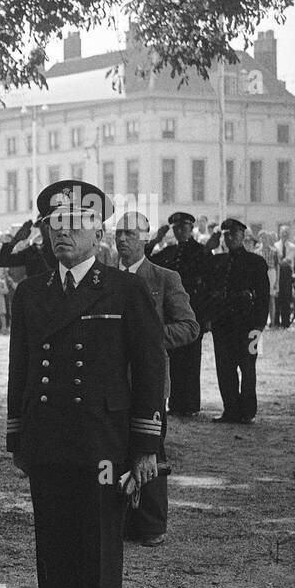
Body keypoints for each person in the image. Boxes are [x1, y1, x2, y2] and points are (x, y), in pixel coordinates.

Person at [7, 180, 164, 588]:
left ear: (99, 229)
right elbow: (20, 371)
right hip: (49, 441)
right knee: (53, 553)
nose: (63, 232)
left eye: (75, 222)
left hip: (103, 443)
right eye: (55, 222)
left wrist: (145, 447)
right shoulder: (31, 292)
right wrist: (18, 439)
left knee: (96, 553)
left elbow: (148, 370)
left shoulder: (123, 289)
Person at [115, 211, 199, 547]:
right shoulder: (104, 279)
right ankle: (119, 520)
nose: (123, 239)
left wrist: (148, 340)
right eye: (119, 233)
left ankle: (150, 523)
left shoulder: (164, 278)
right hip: (110, 383)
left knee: (151, 448)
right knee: (115, 449)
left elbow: (189, 326)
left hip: (148, 383)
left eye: (131, 234)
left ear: (147, 238)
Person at [145, 212, 214, 417]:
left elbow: (210, 286)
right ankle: (175, 403)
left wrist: (207, 317)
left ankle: (190, 404)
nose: (180, 231)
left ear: (191, 228)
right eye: (176, 228)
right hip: (170, 313)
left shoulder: (202, 251)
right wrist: (155, 240)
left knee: (191, 360)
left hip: (194, 313)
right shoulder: (169, 252)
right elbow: (145, 258)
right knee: (173, 359)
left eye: (184, 227)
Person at [209, 218, 270, 424]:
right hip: (223, 325)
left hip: (249, 325)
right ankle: (230, 410)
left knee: (248, 368)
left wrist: (259, 326)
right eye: (225, 234)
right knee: (225, 369)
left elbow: (263, 296)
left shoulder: (256, 262)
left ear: (243, 236)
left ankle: (247, 412)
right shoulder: (217, 261)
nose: (229, 238)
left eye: (233, 234)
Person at [273, 225, 295, 328]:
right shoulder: (275, 245)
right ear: (279, 233)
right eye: (283, 232)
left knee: (286, 298)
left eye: (286, 232)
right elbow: (275, 260)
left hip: (287, 274)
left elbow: (288, 260)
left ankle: (285, 323)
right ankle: (276, 322)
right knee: (277, 298)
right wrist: (280, 261)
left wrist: (281, 261)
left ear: (289, 234)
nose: (284, 233)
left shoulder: (292, 247)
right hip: (277, 273)